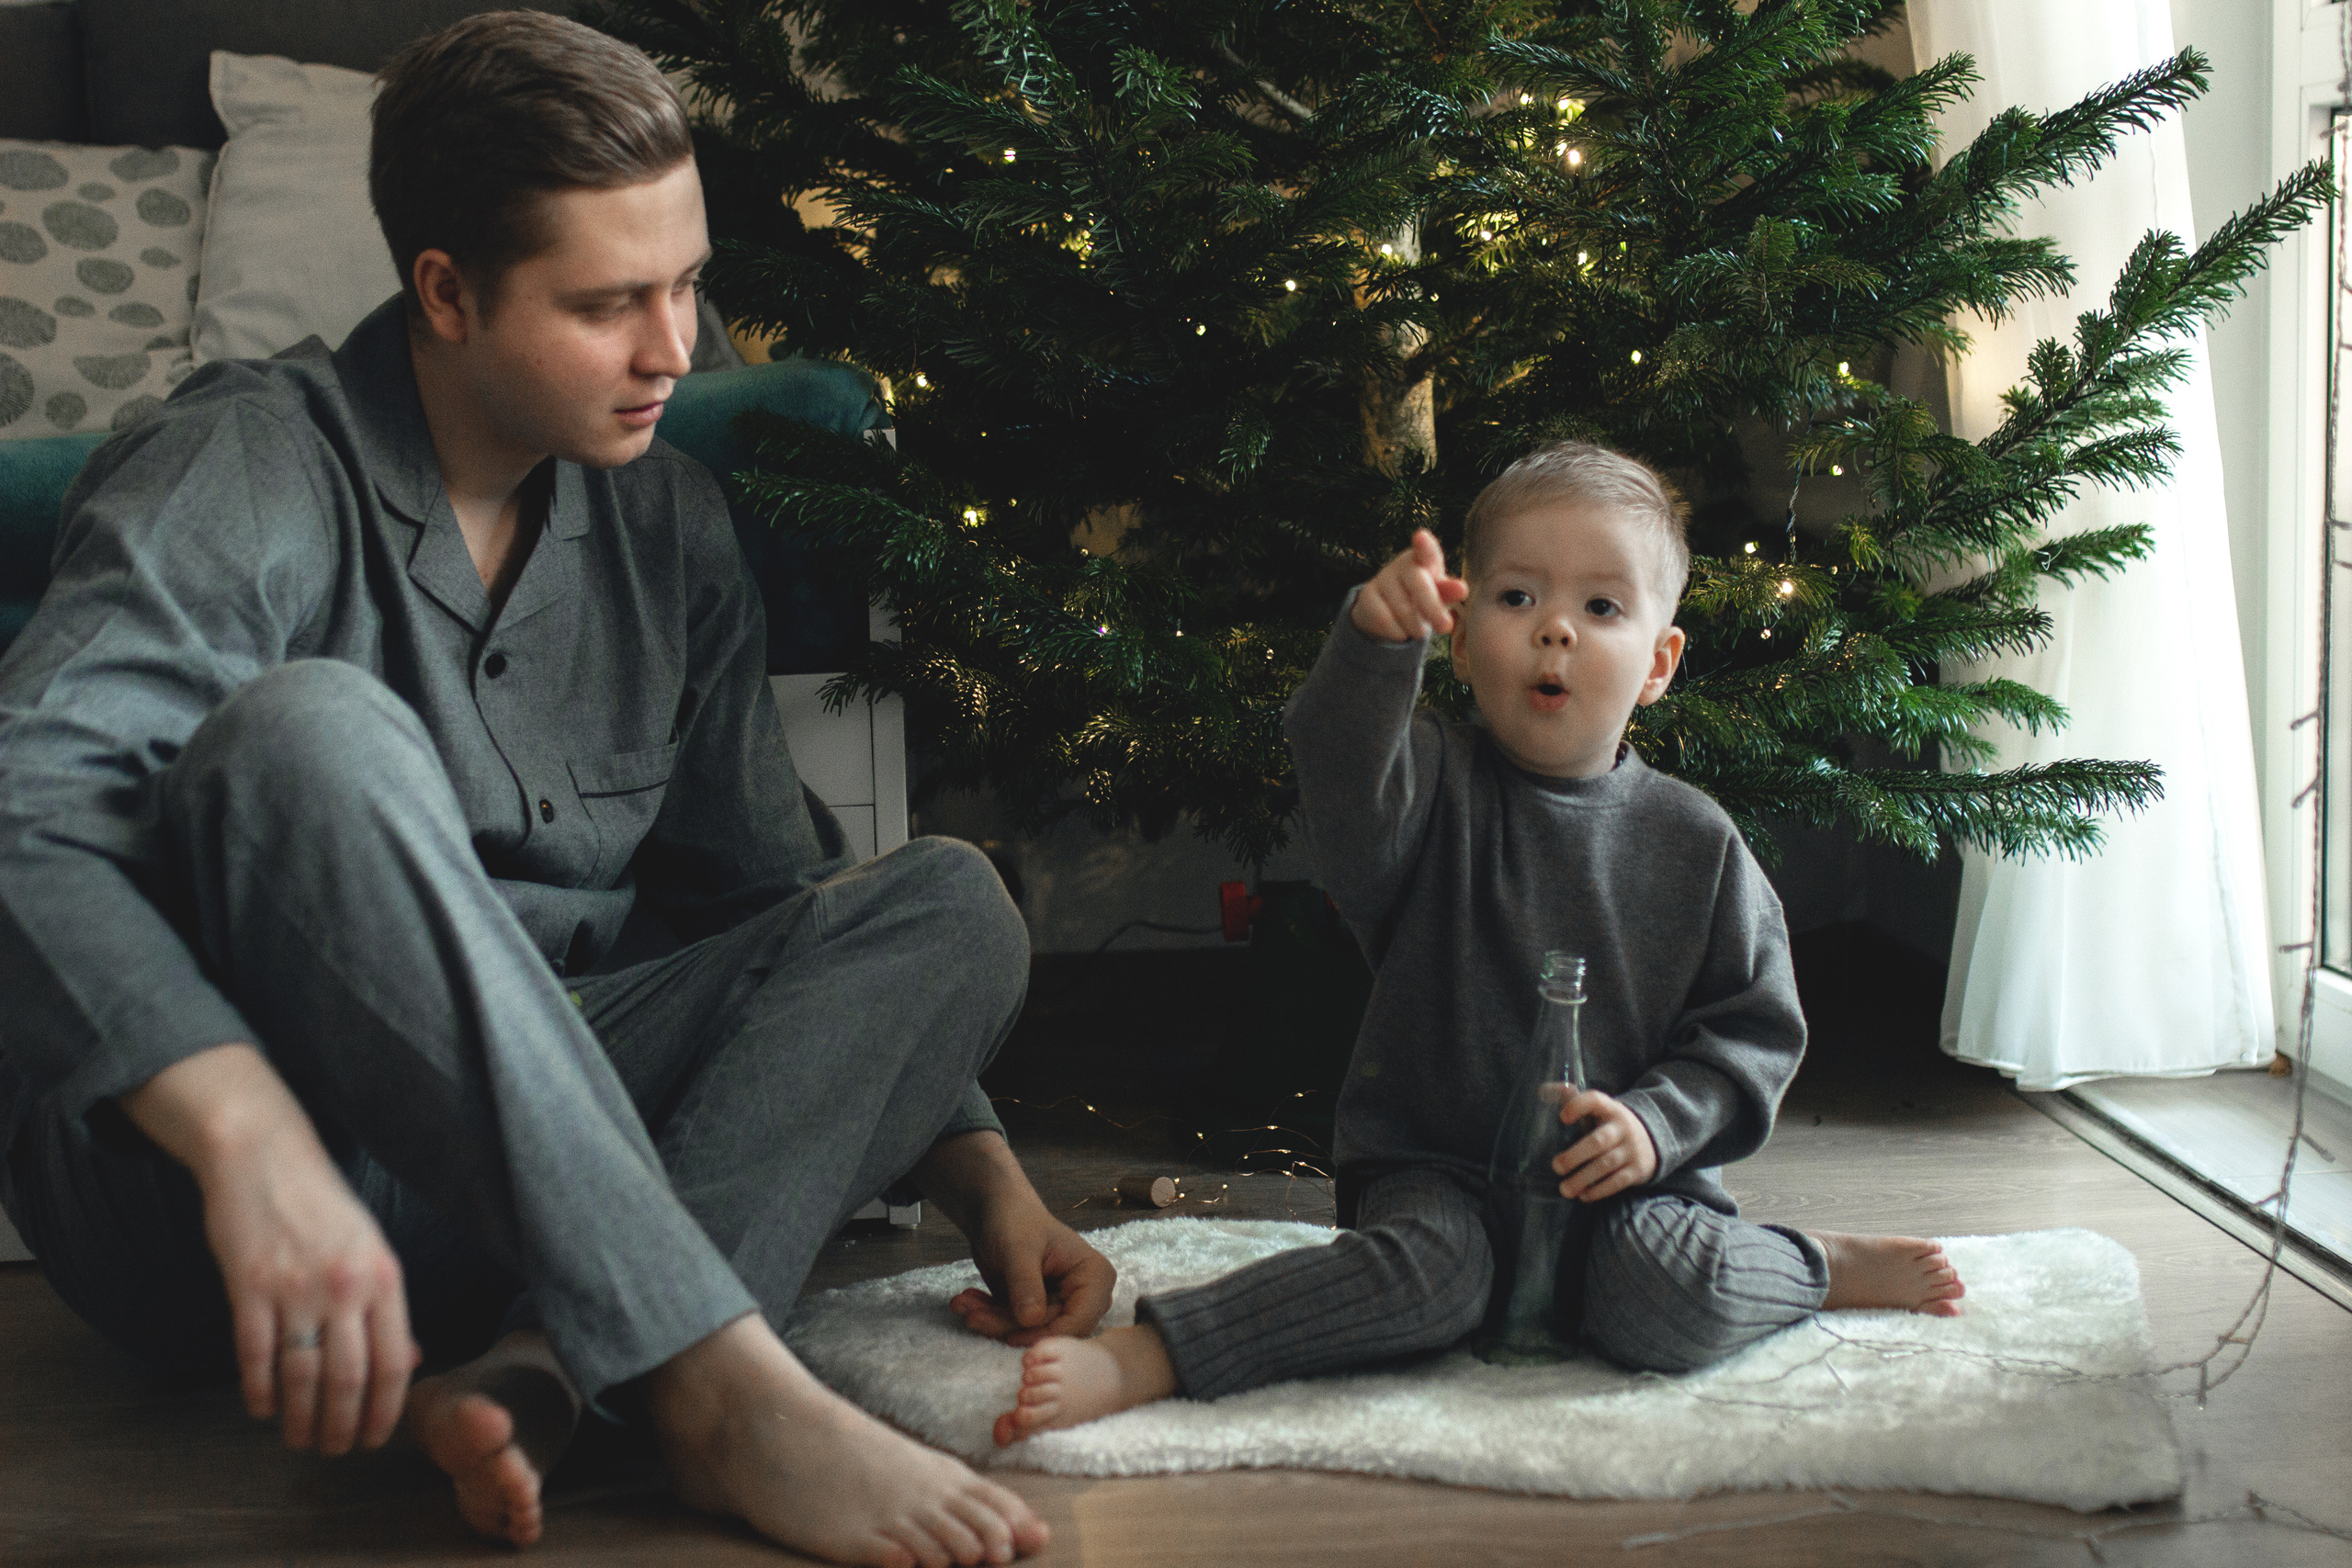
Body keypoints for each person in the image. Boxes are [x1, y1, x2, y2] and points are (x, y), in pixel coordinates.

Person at [0, 13, 1108, 1565]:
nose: (675, 349)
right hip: (239, 1208)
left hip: (535, 1181)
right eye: (607, 303)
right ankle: (712, 1381)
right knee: (314, 729)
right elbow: (22, 801)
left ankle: (566, 1370)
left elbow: (761, 907)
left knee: (945, 902)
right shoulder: (243, 463)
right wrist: (241, 1130)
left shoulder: (672, 525)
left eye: (687, 283)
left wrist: (980, 1172)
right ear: (445, 290)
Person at [990, 441, 1966, 1442]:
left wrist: (1654, 1127)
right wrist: (1374, 641)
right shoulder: (1426, 799)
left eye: (1601, 608)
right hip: (1433, 1169)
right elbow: (1336, 757)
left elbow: (1751, 1036)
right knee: (1428, 1285)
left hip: (1627, 1184)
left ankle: (1814, 1266)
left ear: (1658, 666)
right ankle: (1155, 1353)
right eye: (1513, 599)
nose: (1554, 631)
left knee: (1666, 1299)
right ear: (1458, 644)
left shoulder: (1697, 844)